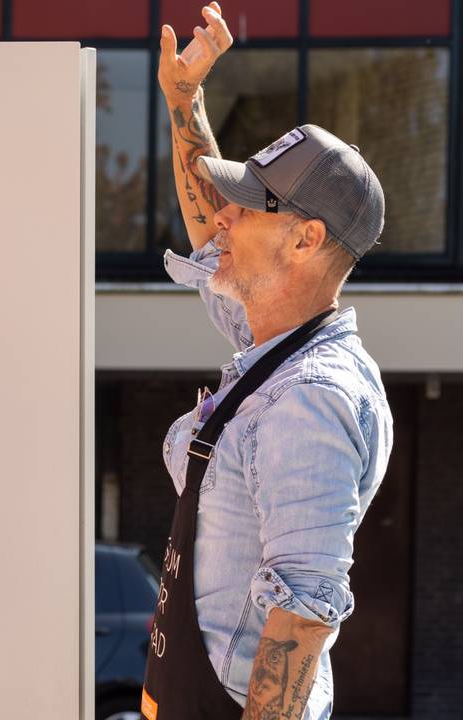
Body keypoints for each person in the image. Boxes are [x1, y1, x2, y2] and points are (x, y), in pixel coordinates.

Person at [142, 4, 393, 719]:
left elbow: (304, 616)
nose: (223, 214)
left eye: (248, 208)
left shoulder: (310, 399)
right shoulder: (269, 347)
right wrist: (183, 98)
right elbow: (207, 235)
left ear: (306, 239)